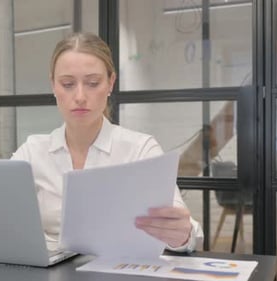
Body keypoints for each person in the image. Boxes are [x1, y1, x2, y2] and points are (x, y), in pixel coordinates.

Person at [11, 32, 204, 252]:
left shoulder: (141, 150)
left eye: (93, 83)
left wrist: (181, 234)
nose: (80, 96)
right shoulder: (32, 152)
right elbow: (0, 213)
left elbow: (185, 230)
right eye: (67, 84)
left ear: (111, 83)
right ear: (53, 85)